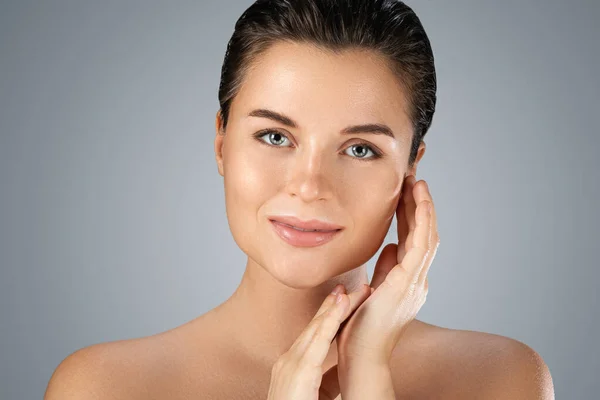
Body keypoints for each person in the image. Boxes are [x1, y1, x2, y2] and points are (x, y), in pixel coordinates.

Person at [44, 0, 555, 398]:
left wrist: (369, 373)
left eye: (360, 149)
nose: (309, 185)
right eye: (274, 137)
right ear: (222, 144)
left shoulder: (498, 379)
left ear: (410, 167)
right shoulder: (103, 387)